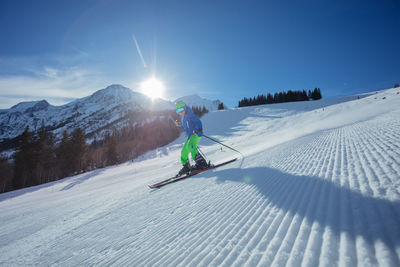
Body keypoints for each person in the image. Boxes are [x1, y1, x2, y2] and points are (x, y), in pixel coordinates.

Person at [175, 100, 209, 176]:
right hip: (190, 136)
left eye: (181, 110)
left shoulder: (190, 115)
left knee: (191, 146)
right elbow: (184, 124)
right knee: (184, 151)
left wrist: (199, 129)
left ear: (185, 108)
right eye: (178, 111)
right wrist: (179, 124)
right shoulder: (183, 118)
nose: (180, 112)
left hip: (196, 134)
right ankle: (187, 167)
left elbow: (198, 122)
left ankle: (201, 163)